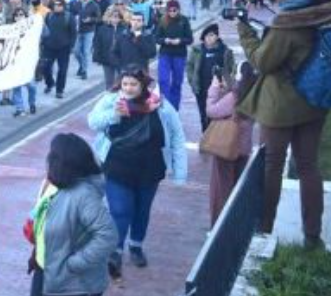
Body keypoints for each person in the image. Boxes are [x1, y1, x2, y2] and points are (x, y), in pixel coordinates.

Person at [235, 0, 331, 249]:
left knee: (272, 166)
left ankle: (263, 231)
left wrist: (244, 28)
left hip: (280, 106)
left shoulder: (287, 25)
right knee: (308, 167)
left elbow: (263, 61)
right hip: (315, 99)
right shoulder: (321, 6)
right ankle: (312, 236)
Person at [87, 69, 187, 280]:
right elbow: (93, 121)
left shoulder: (160, 105)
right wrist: (115, 115)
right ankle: (115, 252)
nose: (128, 88)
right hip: (117, 167)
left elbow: (177, 136)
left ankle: (136, 245)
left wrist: (180, 173)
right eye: (125, 84)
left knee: (142, 210)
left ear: (143, 86)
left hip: (149, 170)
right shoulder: (112, 101)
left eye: (133, 84)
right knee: (121, 210)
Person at [26, 133, 118, 296]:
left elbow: (108, 235)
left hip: (75, 284)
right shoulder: (51, 185)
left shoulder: (84, 196)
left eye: (52, 155)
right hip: (46, 271)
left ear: (63, 163)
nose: (48, 159)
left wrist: (75, 264)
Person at [205, 61, 255, 225]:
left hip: (226, 147)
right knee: (237, 189)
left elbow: (212, 111)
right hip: (244, 148)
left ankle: (218, 225)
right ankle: (234, 223)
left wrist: (214, 89)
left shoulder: (235, 96)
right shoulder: (255, 94)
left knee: (221, 190)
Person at [185, 23, 236, 134]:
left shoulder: (225, 50)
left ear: (217, 36)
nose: (209, 38)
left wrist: (228, 82)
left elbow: (232, 68)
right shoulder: (197, 50)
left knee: (217, 114)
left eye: (212, 35)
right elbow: (189, 66)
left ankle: (216, 136)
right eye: (207, 36)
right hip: (201, 88)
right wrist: (192, 81)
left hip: (220, 90)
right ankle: (206, 134)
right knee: (204, 114)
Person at [153, 0, 192, 109]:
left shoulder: (184, 21)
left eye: (174, 10)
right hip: (165, 53)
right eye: (170, 10)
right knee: (163, 80)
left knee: (177, 82)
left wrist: (180, 41)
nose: (172, 12)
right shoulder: (163, 21)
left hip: (179, 54)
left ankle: (174, 107)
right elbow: (156, 38)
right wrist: (165, 40)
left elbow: (190, 39)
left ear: (178, 10)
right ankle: (166, 104)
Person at [41, 0, 77, 100]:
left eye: (59, 5)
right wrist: (44, 42)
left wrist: (71, 46)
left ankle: (59, 90)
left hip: (64, 48)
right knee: (45, 68)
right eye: (55, 5)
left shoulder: (69, 17)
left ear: (63, 6)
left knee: (62, 70)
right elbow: (44, 30)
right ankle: (50, 83)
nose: (57, 7)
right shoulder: (49, 16)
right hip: (49, 47)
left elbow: (73, 33)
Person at [92, 8, 126, 92]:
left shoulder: (125, 29)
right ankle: (109, 98)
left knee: (122, 80)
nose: (115, 19)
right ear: (109, 17)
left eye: (117, 17)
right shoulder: (102, 29)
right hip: (107, 59)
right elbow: (97, 44)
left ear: (120, 18)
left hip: (121, 59)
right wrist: (97, 58)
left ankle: (121, 99)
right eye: (113, 17)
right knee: (109, 82)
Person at [73, 0, 101, 80]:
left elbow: (98, 18)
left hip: (89, 30)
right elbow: (73, 14)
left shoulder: (94, 5)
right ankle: (81, 65)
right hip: (78, 30)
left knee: (85, 51)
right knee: (76, 51)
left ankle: (84, 71)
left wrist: (90, 19)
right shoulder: (77, 4)